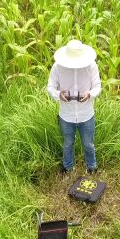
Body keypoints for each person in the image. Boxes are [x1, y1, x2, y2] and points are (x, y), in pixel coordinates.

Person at [46, 39, 102, 174]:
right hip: (66, 115)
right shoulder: (58, 67)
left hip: (86, 114)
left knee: (88, 144)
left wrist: (89, 94)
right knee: (68, 144)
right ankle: (68, 168)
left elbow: (97, 87)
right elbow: (50, 87)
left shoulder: (91, 66)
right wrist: (59, 94)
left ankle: (92, 167)